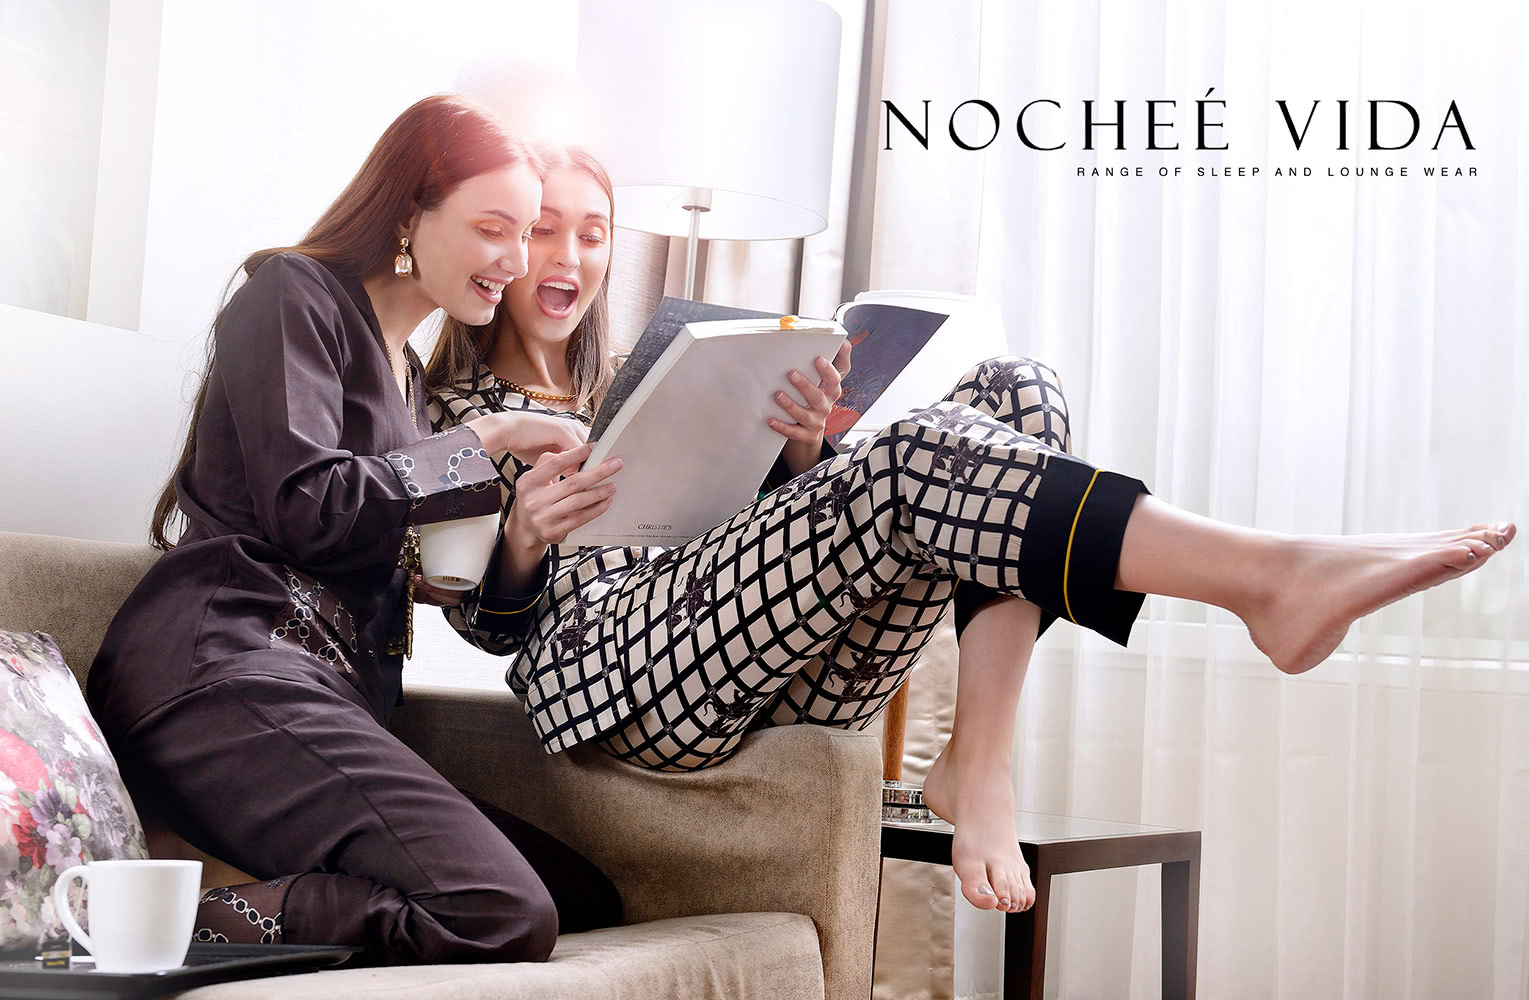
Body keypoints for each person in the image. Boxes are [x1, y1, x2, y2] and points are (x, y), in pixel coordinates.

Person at [424, 145, 1518, 919]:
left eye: (591, 231)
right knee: (913, 461)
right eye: (538, 228)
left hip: (764, 653)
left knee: (1015, 387)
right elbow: (478, 621)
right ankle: (1266, 576)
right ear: (502, 246)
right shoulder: (450, 412)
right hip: (615, 681)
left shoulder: (653, 370)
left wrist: (801, 456)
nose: (565, 253)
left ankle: (975, 760)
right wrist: (521, 538)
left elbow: (757, 538)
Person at [86, 96, 623, 968]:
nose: (518, 261)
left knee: (581, 896)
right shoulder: (290, 296)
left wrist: (523, 533)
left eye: (525, 234)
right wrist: (482, 439)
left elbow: (438, 586)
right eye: (494, 229)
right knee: (501, 911)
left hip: (322, 698)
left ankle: (223, 889)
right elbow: (308, 505)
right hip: (224, 678)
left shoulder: (407, 376)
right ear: (409, 213)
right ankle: (181, 919)